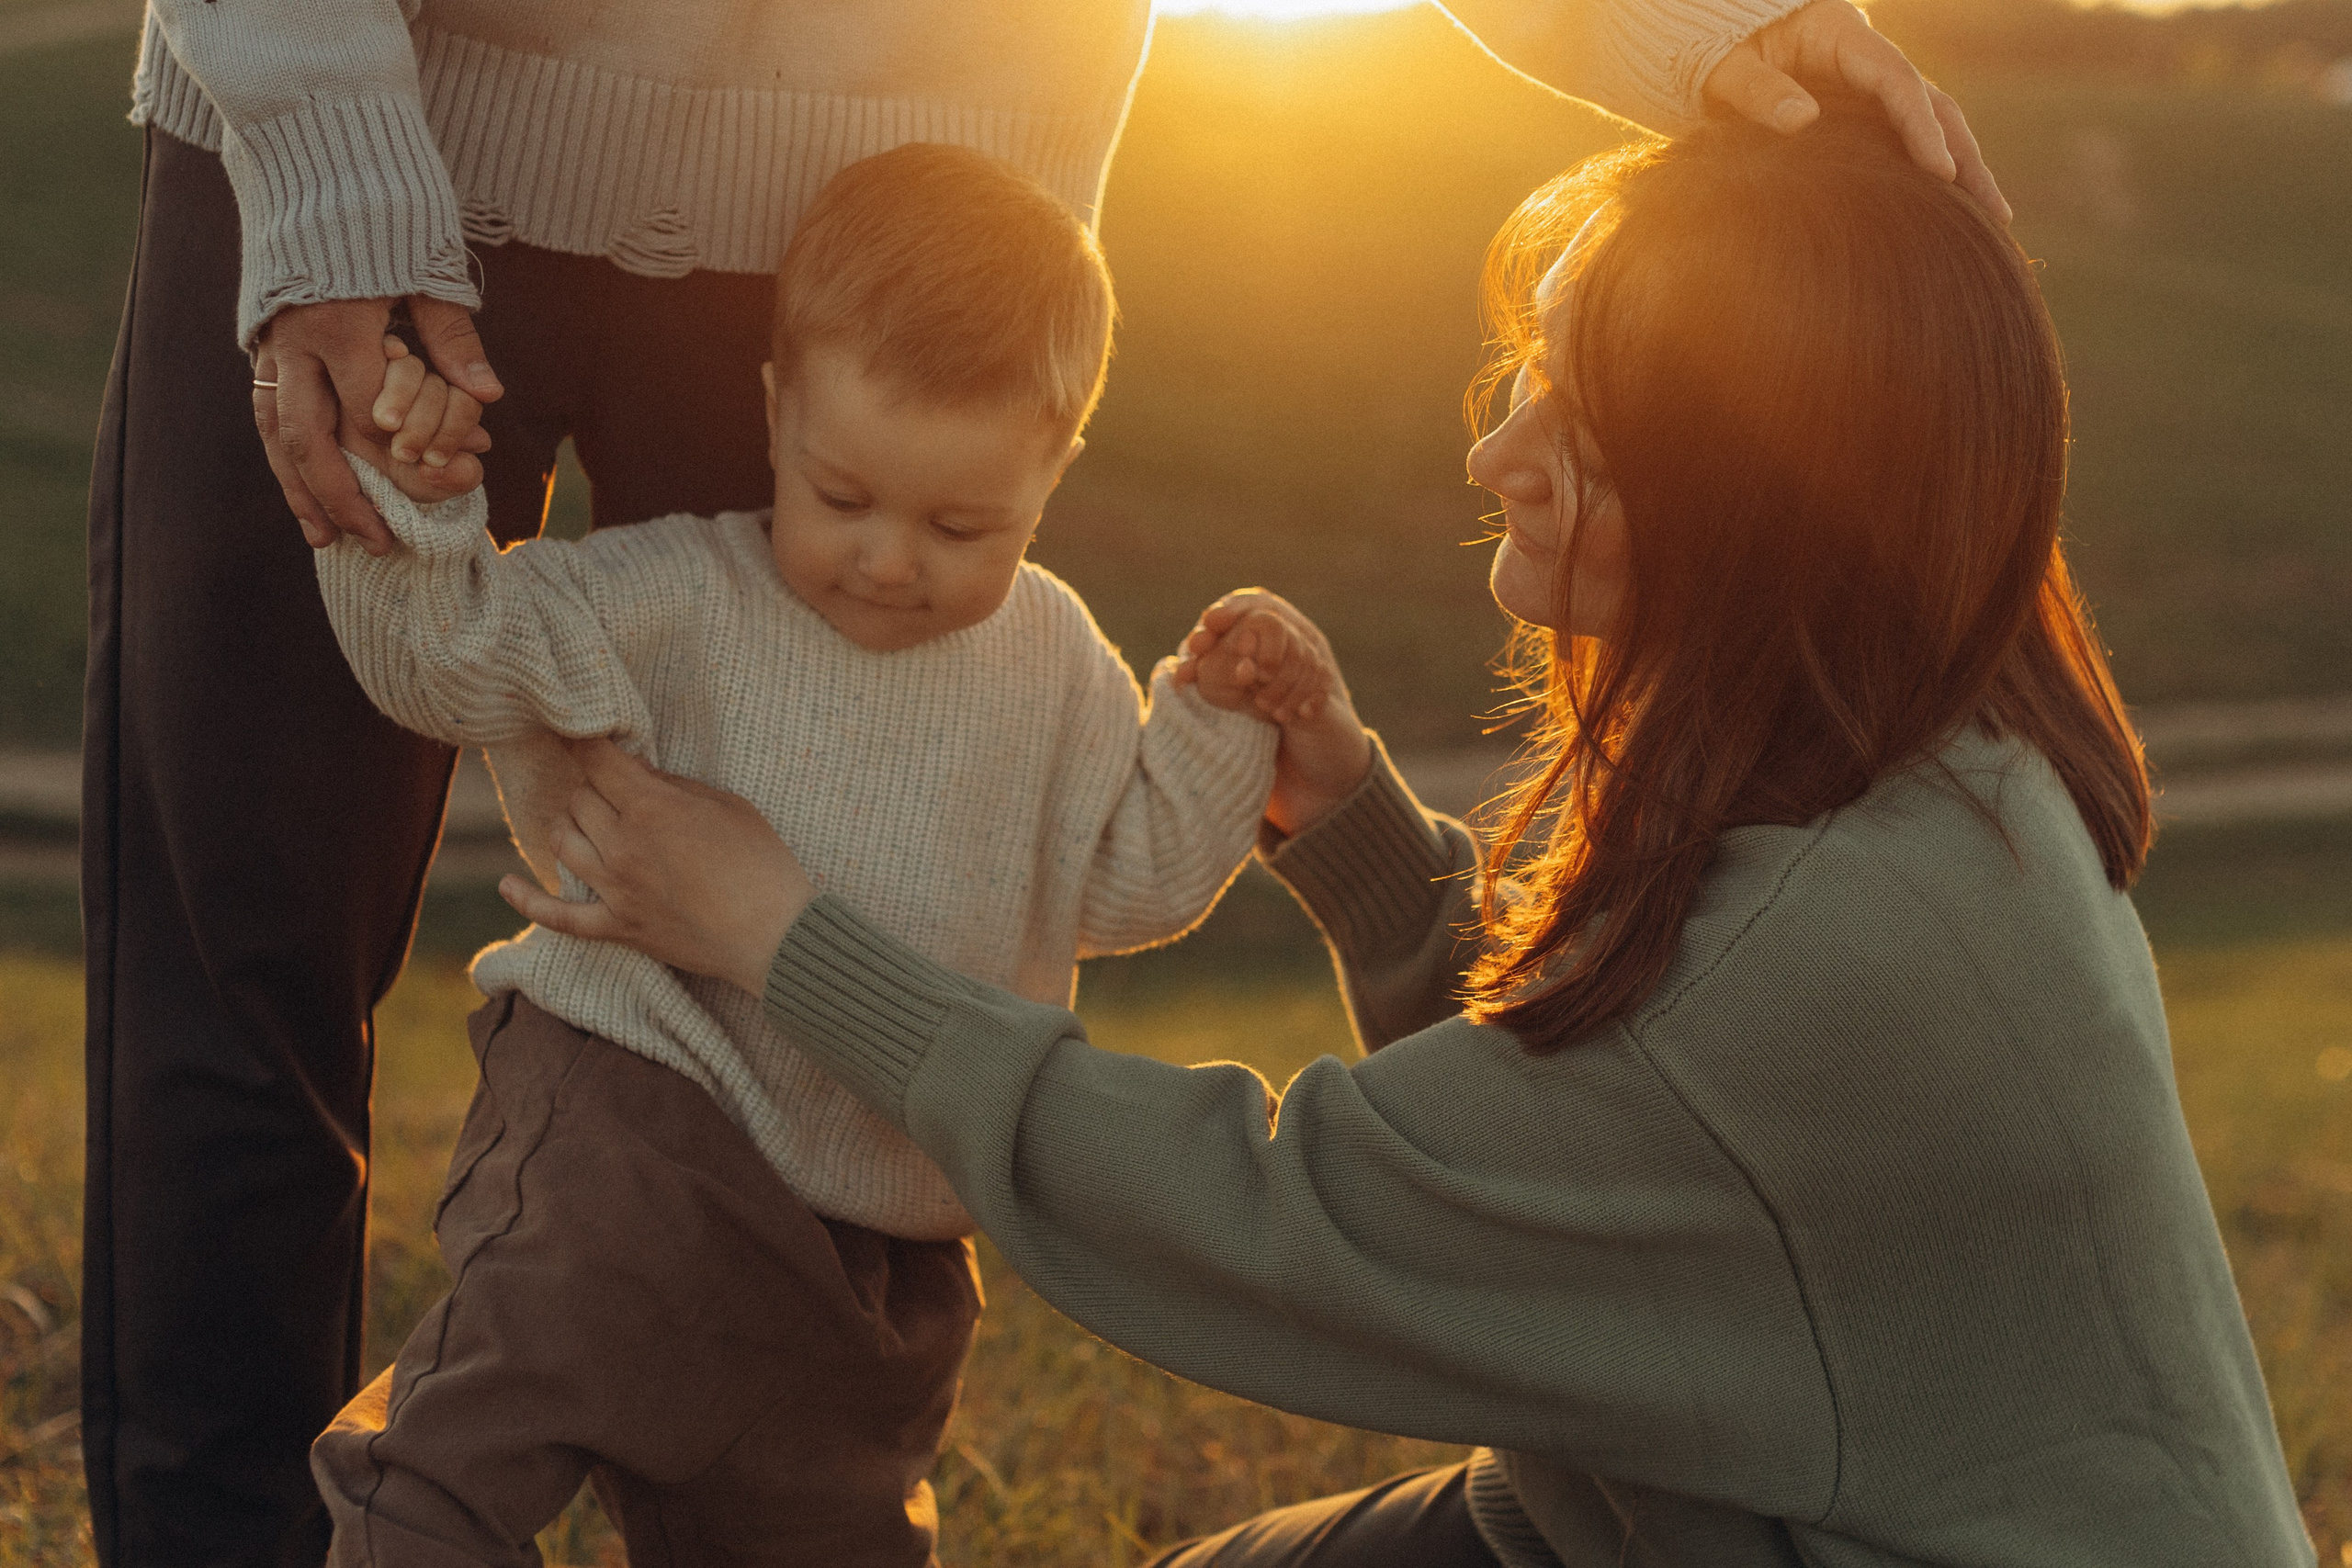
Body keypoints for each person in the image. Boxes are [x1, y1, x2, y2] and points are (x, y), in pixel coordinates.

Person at [84, 0, 2003, 1554]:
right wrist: (329, 183)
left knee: (810, 966)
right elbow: (434, 652)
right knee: (238, 947)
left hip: (875, 218)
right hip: (356, 104)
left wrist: (1704, 27)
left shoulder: (986, 585)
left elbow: (1104, 864)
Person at [502, 101, 2316, 1567]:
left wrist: (777, 930)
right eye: (1523, 377)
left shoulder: (1858, 934)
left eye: (1582, 424)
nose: (1493, 453)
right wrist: (1362, 832)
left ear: (1758, 488)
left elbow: (1277, 1213)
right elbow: (1602, 1141)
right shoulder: (1923, 783)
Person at [289, 142, 1375, 1563]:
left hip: (883, 1221)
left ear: (1055, 467)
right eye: (843, 497)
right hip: (639, 1114)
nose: (888, 561)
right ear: (776, 411)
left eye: (960, 524)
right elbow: (451, 661)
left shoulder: (1045, 653)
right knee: (482, 1438)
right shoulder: (683, 593)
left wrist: (1219, 725)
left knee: (822, 1534)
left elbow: (1121, 881)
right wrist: (416, 515)